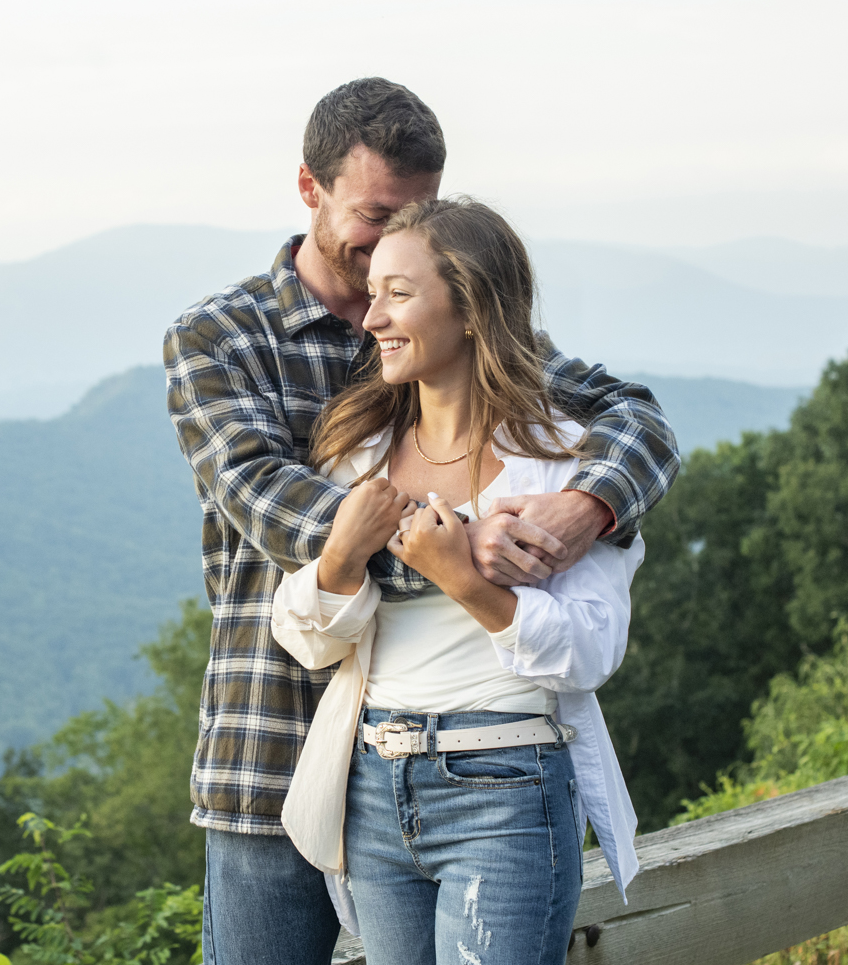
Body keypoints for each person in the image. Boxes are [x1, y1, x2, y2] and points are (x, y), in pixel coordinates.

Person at [164, 77, 678, 965]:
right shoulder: (222, 338)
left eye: (422, 214)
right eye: (374, 214)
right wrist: (461, 546)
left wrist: (587, 505)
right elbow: (268, 503)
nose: (388, 254)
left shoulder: (448, 310)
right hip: (277, 740)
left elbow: (636, 419)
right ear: (308, 189)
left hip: (450, 754)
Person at [271, 197, 641, 965]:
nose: (371, 319)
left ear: (471, 306)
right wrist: (341, 556)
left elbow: (591, 652)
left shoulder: (567, 463)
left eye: (398, 294)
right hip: (374, 785)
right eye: (372, 294)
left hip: (506, 782)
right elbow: (304, 638)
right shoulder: (356, 449)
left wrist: (465, 579)